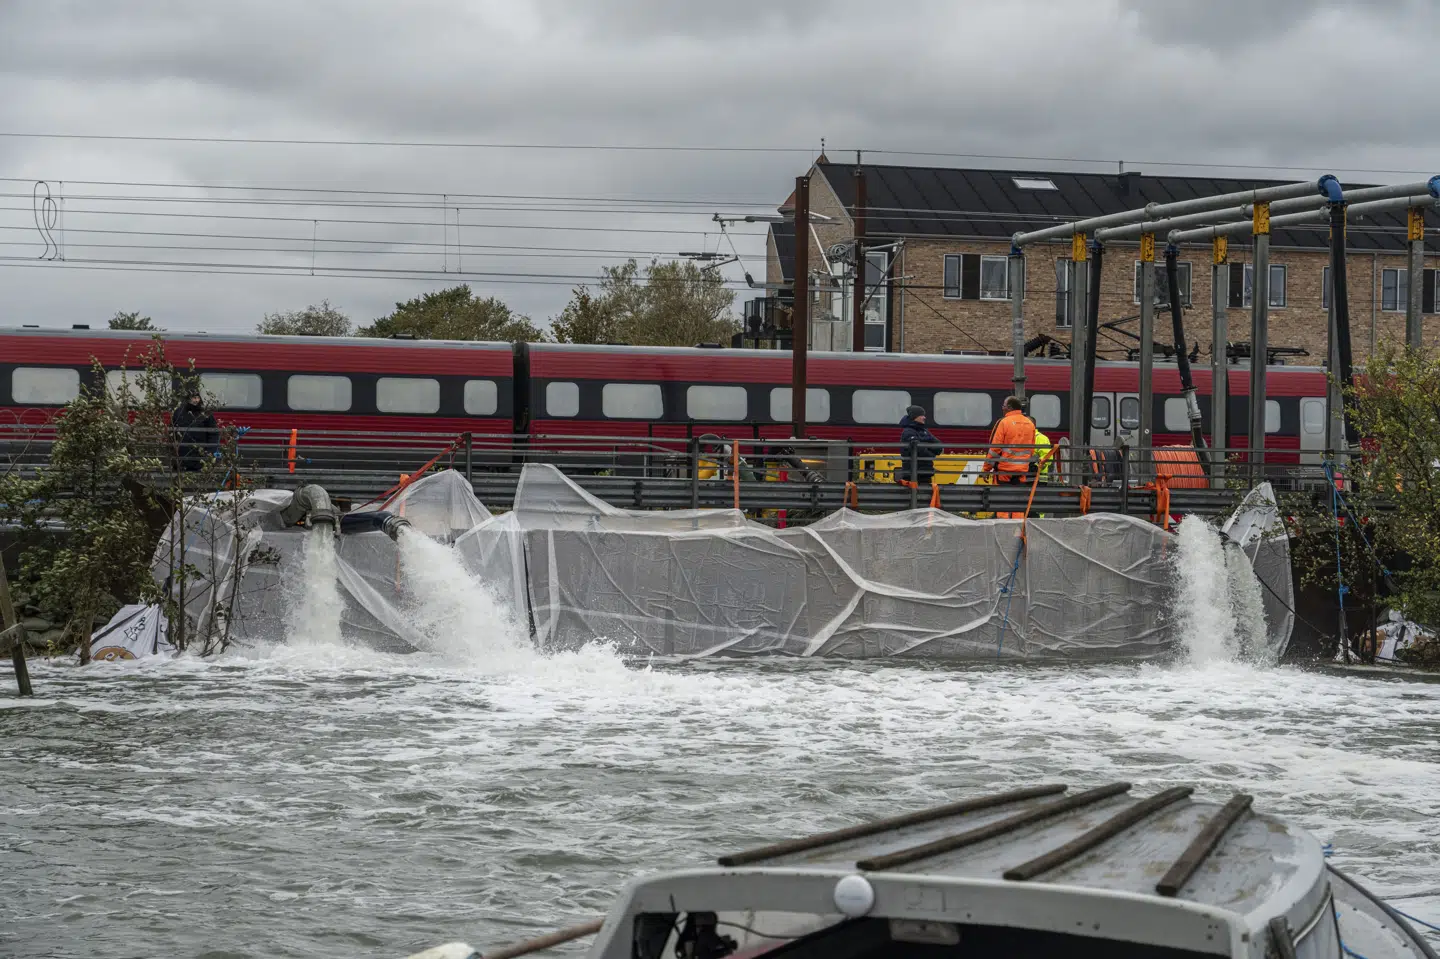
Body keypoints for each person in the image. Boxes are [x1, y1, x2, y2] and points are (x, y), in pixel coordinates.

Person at [984, 396, 1036, 518]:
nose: (1002, 408)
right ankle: (1017, 531)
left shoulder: (1003, 422)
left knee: (1002, 503)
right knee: (1017, 504)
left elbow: (994, 449)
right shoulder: (1030, 423)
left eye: (1004, 405)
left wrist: (986, 470)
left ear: (1009, 407)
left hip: (1004, 471)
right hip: (1022, 471)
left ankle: (1004, 530)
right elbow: (1031, 450)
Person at [172, 392, 219, 471]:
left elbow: (213, 433)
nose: (196, 400)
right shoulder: (179, 412)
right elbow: (173, 431)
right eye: (193, 398)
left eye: (198, 397)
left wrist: (211, 451)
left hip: (200, 456)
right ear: (188, 399)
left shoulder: (205, 413)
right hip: (182, 456)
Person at [898, 405, 942, 487]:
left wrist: (926, 448)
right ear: (915, 417)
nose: (924, 417)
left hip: (926, 473)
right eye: (922, 415)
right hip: (913, 473)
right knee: (914, 497)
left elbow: (939, 446)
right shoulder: (908, 432)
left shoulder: (924, 430)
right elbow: (918, 449)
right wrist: (932, 455)